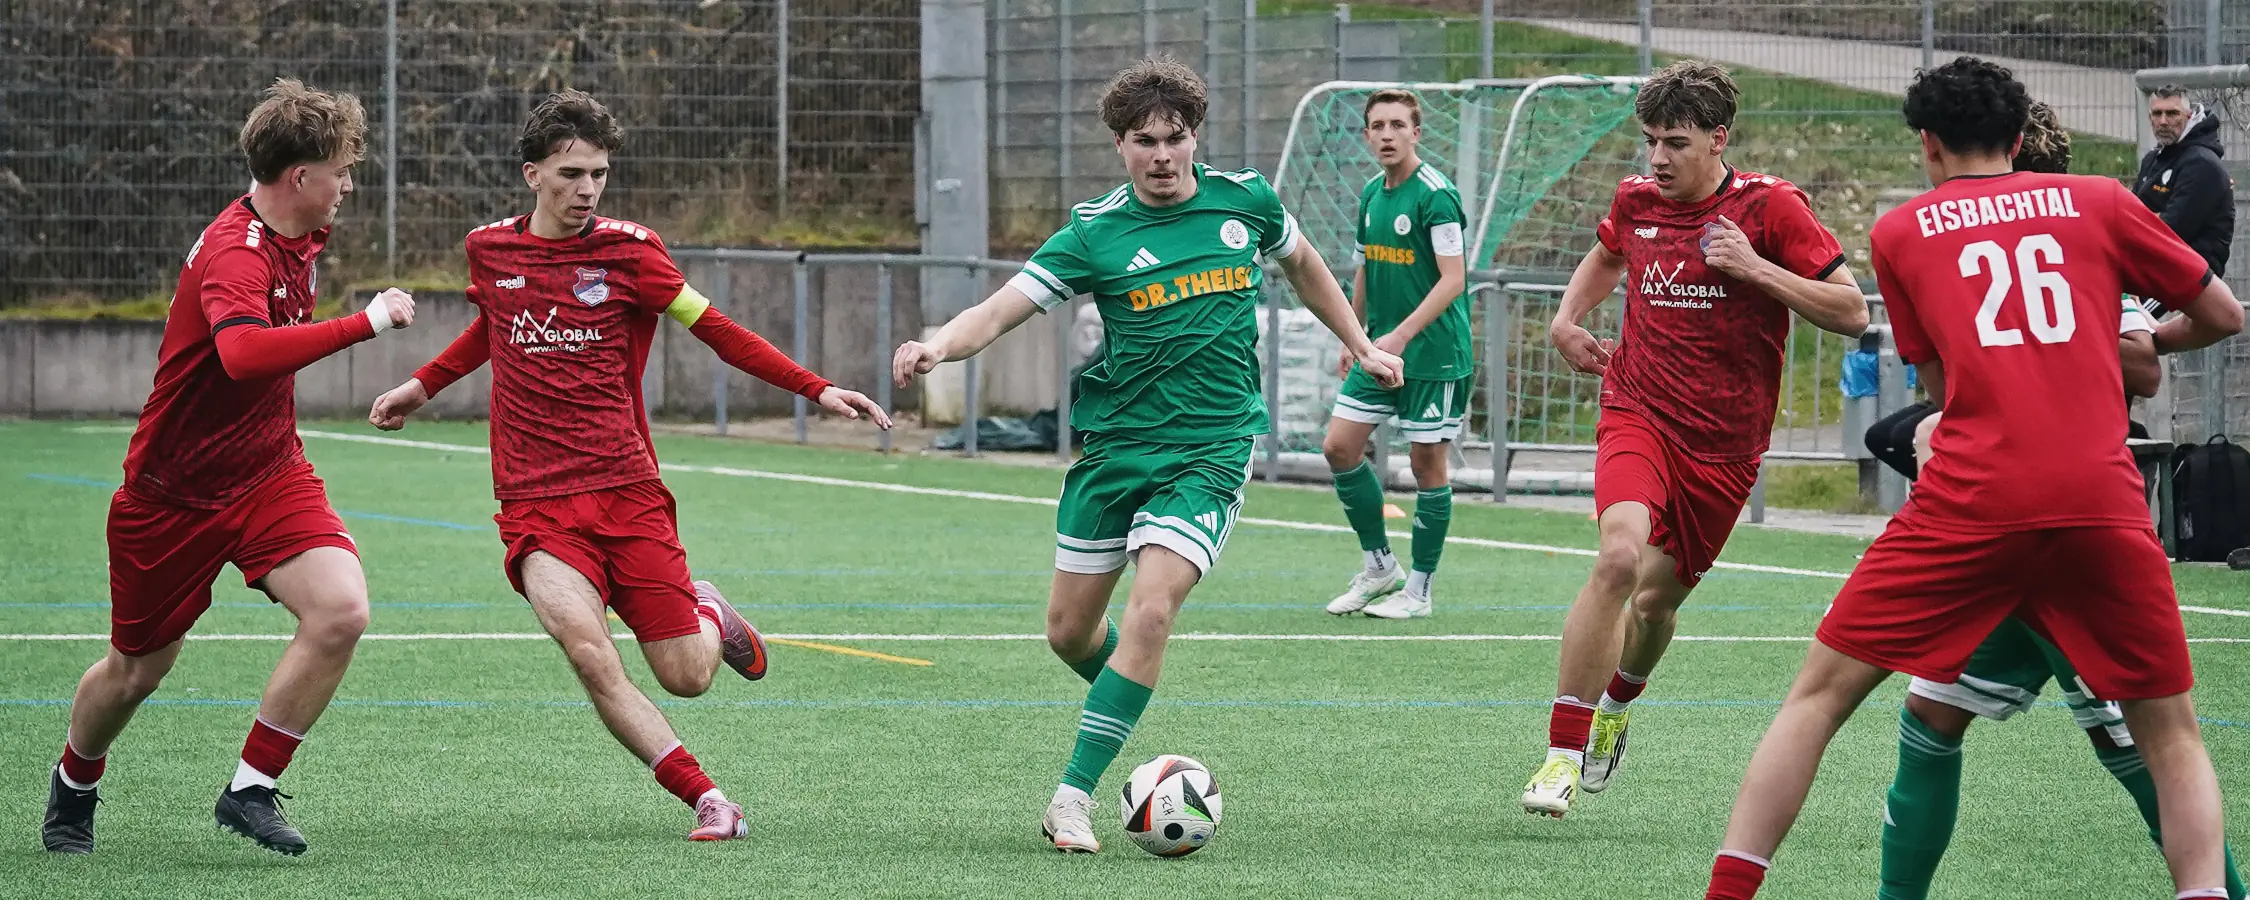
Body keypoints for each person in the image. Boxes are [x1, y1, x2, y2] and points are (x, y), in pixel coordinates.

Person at [1704, 57, 2244, 900]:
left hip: (1972, 505)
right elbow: (2222, 315)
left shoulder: (1902, 232)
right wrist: (2122, 351)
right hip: (2098, 502)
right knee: (2170, 738)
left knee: (1817, 700)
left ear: (1927, 143)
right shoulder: (2102, 201)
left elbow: (1941, 386)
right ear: (2020, 137)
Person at [891, 57, 1403, 853]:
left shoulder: (1246, 203)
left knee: (1153, 609)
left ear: (1195, 137)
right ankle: (1128, 693)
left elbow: (1305, 266)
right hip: (1118, 449)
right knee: (1069, 633)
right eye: (1144, 141)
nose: (1162, 155)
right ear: (1120, 146)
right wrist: (938, 346)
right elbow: (999, 310)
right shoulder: (1094, 232)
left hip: (1212, 447)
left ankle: (1072, 796)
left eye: (1175, 138)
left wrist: (1361, 343)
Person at [366, 90, 890, 842]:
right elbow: (496, 326)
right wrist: (422, 387)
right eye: (571, 174)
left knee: (687, 676)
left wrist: (815, 388)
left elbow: (717, 329)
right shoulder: (490, 249)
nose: (588, 189)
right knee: (588, 650)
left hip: (626, 490)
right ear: (532, 175)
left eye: (599, 174)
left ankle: (708, 611)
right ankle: (708, 798)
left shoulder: (634, 252)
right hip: (535, 501)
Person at [1865, 100, 2245, 900]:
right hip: (2010, 525)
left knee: (2141, 744)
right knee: (1934, 714)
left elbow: (2144, 367)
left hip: (2068, 525)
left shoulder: (2075, 240)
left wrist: (2065, 347)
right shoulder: (2000, 238)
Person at [43, 79, 420, 856]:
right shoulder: (234, 253)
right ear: (299, 178)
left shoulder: (303, 230)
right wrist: (366, 322)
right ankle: (74, 783)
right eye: (342, 171)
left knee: (341, 610)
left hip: (268, 473)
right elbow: (243, 354)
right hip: (171, 495)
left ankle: (250, 789)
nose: (349, 185)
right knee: (136, 672)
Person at [1521, 60, 1868, 817]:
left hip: (1724, 445)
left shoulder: (1772, 208)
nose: (1658, 158)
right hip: (1637, 409)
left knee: (1653, 606)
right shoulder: (1637, 199)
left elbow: (1852, 312)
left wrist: (1756, 269)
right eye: (1650, 140)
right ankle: (1560, 756)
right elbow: (1609, 252)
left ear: (1719, 139)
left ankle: (1616, 709)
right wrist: (1566, 320)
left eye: (1675, 142)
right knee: (1618, 558)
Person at [1321, 88, 1472, 620]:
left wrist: (1402, 335)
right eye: (1378, 126)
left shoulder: (1437, 195)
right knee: (1339, 448)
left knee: (1425, 463)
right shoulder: (1370, 194)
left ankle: (1419, 592)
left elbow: (1453, 279)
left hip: (1433, 355)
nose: (1387, 135)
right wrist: (1353, 337)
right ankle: (1380, 567)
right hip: (1379, 351)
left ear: (1416, 133)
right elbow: (1363, 269)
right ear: (1366, 136)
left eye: (1398, 125)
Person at [2135, 84, 2234, 277]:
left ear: (2189, 116)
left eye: (2172, 113)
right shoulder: (2153, 159)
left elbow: (2171, 230)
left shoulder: (2202, 163)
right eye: (2157, 114)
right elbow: (2128, 213)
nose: (2163, 121)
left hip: (2190, 275)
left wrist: (2141, 221)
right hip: (2155, 266)